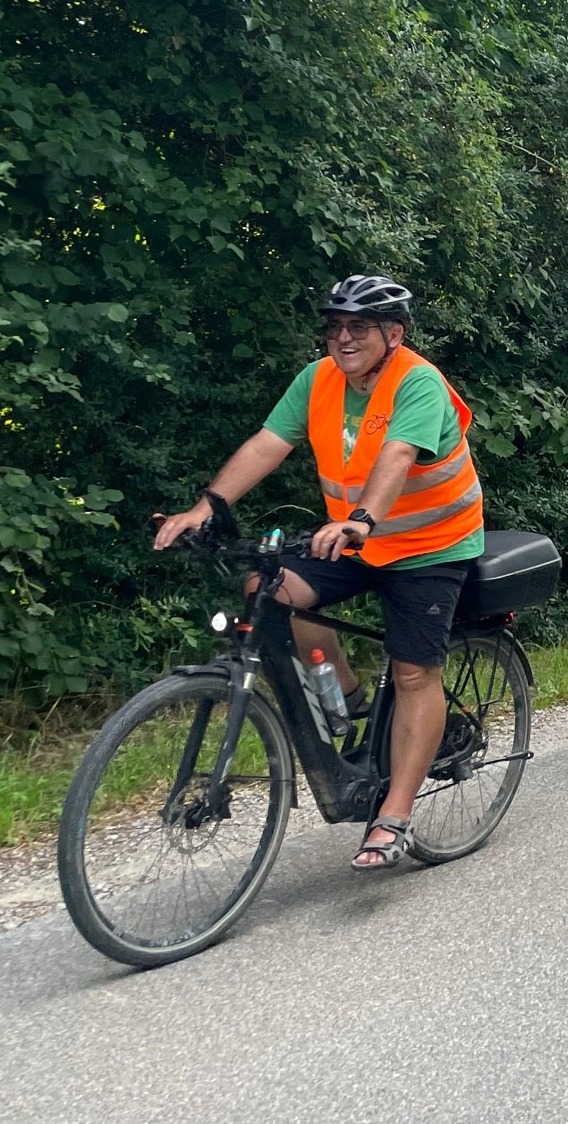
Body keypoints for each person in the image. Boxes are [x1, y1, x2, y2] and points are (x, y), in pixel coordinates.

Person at [152, 275, 484, 871]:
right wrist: (207, 508)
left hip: (430, 545)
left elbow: (397, 456)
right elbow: (267, 444)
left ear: (393, 334)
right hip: (356, 539)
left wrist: (360, 518)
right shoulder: (319, 380)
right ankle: (350, 701)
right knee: (269, 587)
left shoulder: (418, 382)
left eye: (358, 326)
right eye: (335, 326)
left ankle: (394, 815)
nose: (343, 337)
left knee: (414, 673)